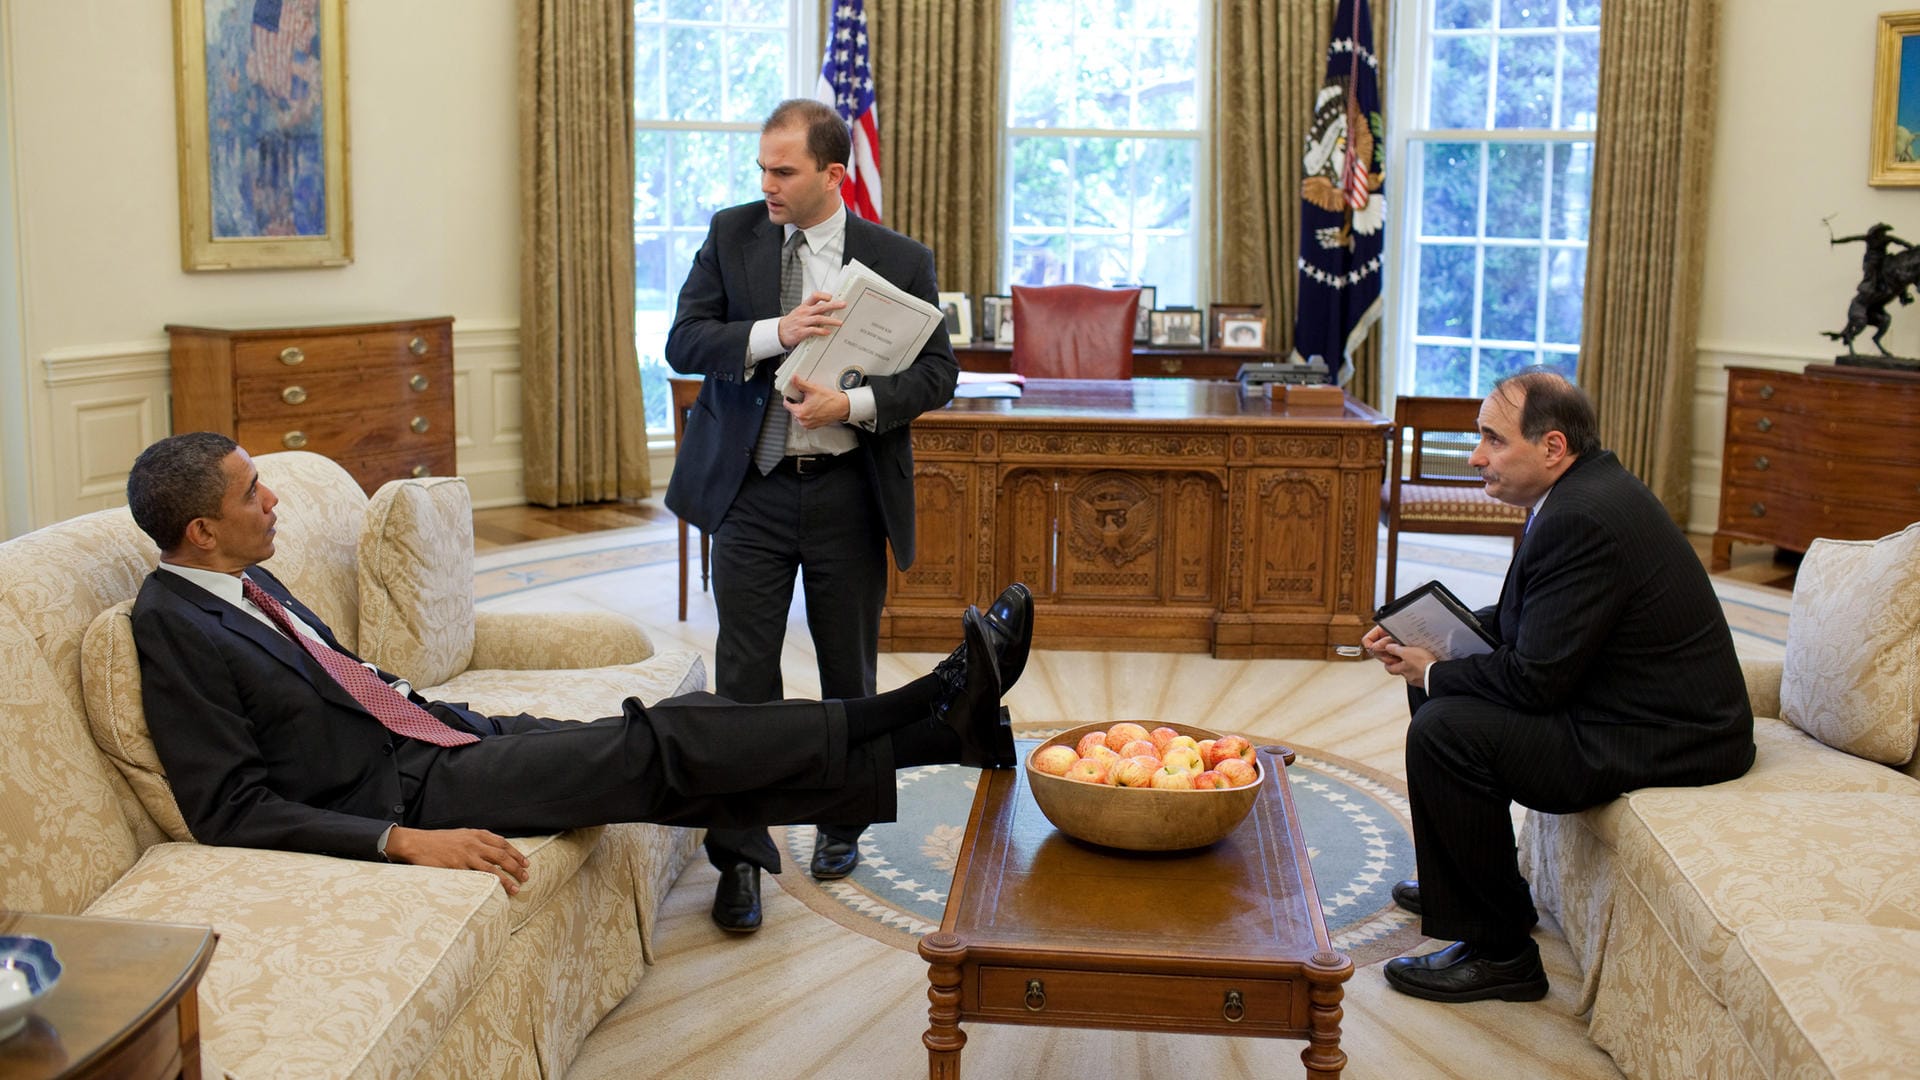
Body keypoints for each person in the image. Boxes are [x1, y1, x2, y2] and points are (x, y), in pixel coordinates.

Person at [125, 434, 1027, 896]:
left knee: (689, 738)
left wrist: (448, 719)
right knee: (658, 747)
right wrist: (401, 842)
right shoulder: (174, 626)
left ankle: (942, 736)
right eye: (253, 492)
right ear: (201, 530)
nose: (272, 497)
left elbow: (341, 683)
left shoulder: (246, 584)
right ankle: (932, 703)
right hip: (411, 796)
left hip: (445, 737)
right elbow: (227, 808)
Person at [1361, 371, 1753, 1004]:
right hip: (1623, 699)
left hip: (1663, 734)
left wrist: (1432, 669)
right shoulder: (1578, 493)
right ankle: (1466, 891)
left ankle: (1503, 956)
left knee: (1445, 728)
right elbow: (1535, 623)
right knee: (1439, 686)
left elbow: (1536, 680)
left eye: (1492, 439)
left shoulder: (1584, 518)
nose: (1476, 456)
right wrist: (1429, 644)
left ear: (1551, 446)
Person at [663, 98, 959, 930]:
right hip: (750, 494)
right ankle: (742, 858)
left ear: (835, 175)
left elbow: (938, 374)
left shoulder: (899, 258)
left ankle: (841, 819)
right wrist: (772, 331)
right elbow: (683, 343)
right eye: (761, 168)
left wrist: (858, 405)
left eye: (783, 171)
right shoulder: (732, 236)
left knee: (847, 675)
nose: (767, 185)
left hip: (847, 498)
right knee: (744, 683)